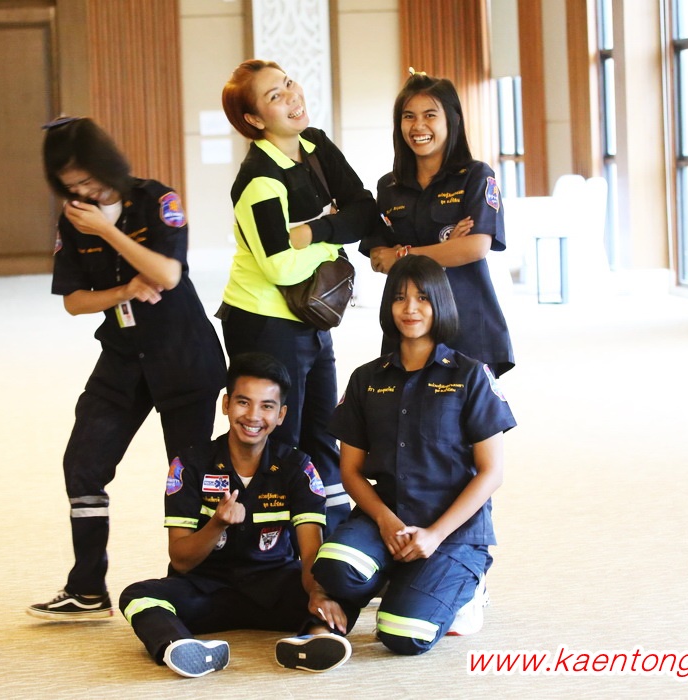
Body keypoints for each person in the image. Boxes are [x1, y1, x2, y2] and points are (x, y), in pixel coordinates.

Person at [27, 117, 227, 621]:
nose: (84, 192)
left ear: (108, 163)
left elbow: (168, 273)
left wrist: (107, 231)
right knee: (83, 462)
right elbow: (74, 301)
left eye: (88, 179)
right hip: (122, 358)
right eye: (71, 186)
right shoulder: (73, 221)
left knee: (186, 477)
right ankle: (87, 588)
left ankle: (190, 586)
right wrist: (122, 291)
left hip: (184, 357)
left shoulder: (157, 200)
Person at [311, 255, 516, 656]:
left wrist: (435, 535)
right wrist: (385, 519)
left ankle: (466, 585)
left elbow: (491, 472)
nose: (410, 308)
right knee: (335, 566)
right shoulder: (366, 379)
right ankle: (394, 575)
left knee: (403, 634)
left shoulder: (471, 375)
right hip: (386, 519)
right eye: (400, 298)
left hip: (453, 532)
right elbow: (350, 471)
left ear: (440, 303)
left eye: (423, 297)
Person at [217, 59, 378, 535]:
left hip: (309, 315)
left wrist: (313, 231)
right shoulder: (258, 180)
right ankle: (272, 546)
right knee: (278, 439)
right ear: (254, 119)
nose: (291, 96)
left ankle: (329, 539)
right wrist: (333, 235)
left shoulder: (315, 145)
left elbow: (364, 211)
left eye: (287, 83)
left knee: (324, 432)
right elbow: (280, 267)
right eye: (274, 96)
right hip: (264, 321)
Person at [119, 352, 353, 678]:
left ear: (281, 415)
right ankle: (182, 646)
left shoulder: (297, 468)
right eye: (243, 402)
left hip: (273, 586)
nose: (253, 416)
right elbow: (181, 560)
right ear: (226, 404)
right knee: (137, 596)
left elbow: (311, 551)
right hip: (205, 590)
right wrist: (217, 524)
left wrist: (318, 594)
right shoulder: (190, 465)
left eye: (267, 406)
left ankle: (314, 640)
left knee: (342, 590)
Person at [362, 70, 515, 376]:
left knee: (466, 403)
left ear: (452, 119)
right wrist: (445, 249)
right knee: (404, 402)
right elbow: (379, 258)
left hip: (466, 319)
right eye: (408, 116)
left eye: (430, 115)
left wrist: (404, 255)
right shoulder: (388, 187)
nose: (418, 126)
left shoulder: (475, 177)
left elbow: (475, 247)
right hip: (408, 321)